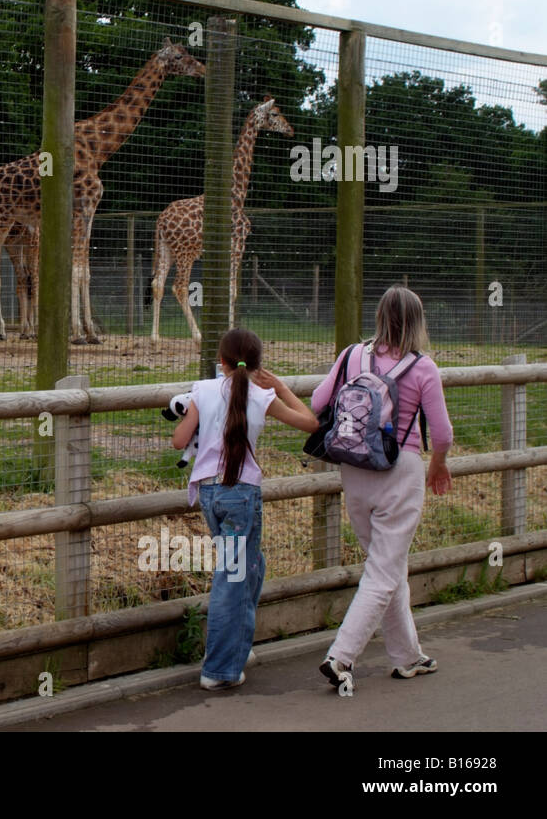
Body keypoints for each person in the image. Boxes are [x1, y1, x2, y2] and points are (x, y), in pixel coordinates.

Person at [313, 285, 453, 694]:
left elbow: (320, 401)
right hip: (400, 470)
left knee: (388, 566)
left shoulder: (352, 354)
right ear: (418, 321)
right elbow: (441, 433)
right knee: (383, 571)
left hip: (355, 470)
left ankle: (408, 657)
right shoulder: (423, 367)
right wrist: (438, 464)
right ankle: (341, 657)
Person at [172, 327, 320, 689]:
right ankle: (219, 669)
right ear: (257, 365)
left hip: (210, 493)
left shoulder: (203, 391)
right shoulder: (262, 396)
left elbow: (178, 440)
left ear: (219, 362)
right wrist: (281, 388)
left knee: (250, 567)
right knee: (233, 576)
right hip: (242, 494)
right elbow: (311, 423)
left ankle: (236, 645)